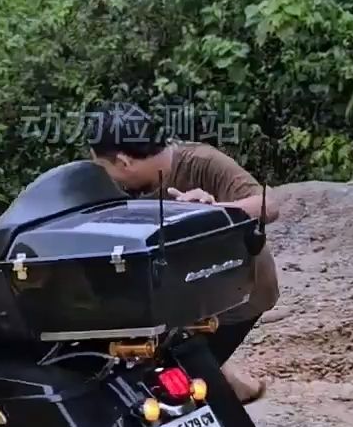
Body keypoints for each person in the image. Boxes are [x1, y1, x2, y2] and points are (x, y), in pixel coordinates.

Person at [86, 105, 280, 404]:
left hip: (235, 293)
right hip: (177, 295)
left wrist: (211, 212)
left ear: (124, 161)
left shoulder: (201, 161)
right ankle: (221, 370)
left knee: (170, 387)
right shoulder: (123, 187)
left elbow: (269, 206)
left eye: (102, 167)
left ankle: (219, 375)